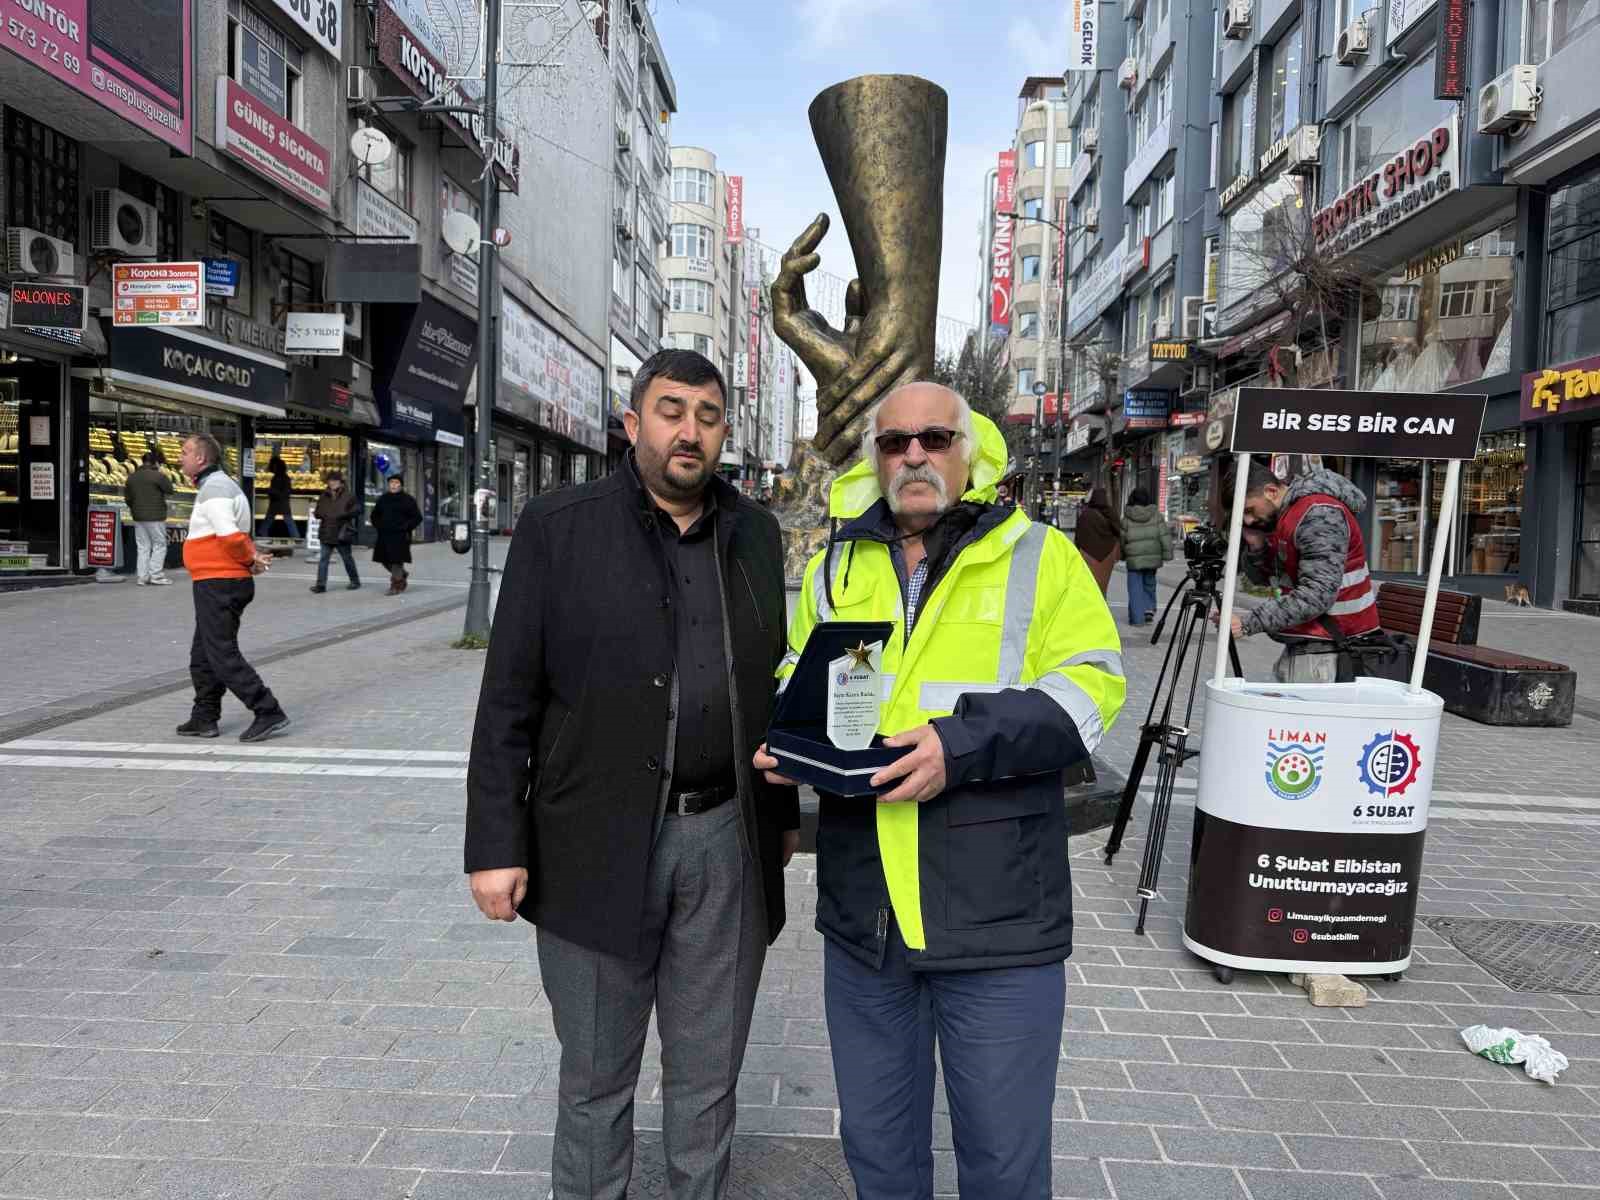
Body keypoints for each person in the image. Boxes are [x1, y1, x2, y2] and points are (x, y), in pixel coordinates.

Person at [755, 382, 1126, 1200]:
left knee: (1002, 1164)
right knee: (880, 1158)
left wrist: (959, 744)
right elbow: (797, 671)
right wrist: (791, 737)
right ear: (875, 458)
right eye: (894, 442)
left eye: (934, 437)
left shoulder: (1040, 557)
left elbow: (1090, 692)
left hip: (996, 923)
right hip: (866, 921)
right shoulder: (833, 565)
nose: (914, 454)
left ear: (970, 450)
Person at [466, 349, 800, 1200]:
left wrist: (784, 812)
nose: (690, 431)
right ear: (632, 423)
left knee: (708, 1076)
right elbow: (507, 696)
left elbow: (772, 683)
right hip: (593, 843)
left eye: (709, 415)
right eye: (671, 409)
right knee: (595, 1079)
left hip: (728, 841)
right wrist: (495, 844)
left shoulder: (756, 534)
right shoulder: (558, 526)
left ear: (726, 432)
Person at [1219, 458, 1379, 682]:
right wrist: (1257, 546)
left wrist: (1248, 623)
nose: (1248, 519)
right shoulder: (1287, 515)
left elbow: (1317, 595)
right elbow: (1267, 579)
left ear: (1272, 491)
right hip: (1314, 645)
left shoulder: (1317, 514)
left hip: (1331, 648)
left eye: (1249, 510)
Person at [175, 433, 290, 743]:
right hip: (218, 580)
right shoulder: (220, 485)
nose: (179, 457)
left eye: (185, 452)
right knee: (203, 654)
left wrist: (249, 558)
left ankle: (267, 710)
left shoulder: (215, 489)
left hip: (219, 582)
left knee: (221, 653)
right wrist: (249, 559)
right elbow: (236, 536)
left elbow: (229, 536)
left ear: (201, 459)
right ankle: (204, 717)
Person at [1120, 486, 1172, 625]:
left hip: (1134, 559)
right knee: (1149, 582)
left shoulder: (1127, 518)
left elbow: (1122, 539)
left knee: (1135, 588)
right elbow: (1164, 536)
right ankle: (1148, 608)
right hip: (1152, 557)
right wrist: (1168, 554)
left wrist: (1122, 555)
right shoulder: (1157, 516)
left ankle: (1137, 618)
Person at [124, 451, 174, 586]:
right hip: (155, 516)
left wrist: (135, 508)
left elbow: (127, 498)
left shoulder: (132, 477)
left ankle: (142, 577)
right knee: (159, 545)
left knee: (143, 547)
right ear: (155, 463)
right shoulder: (158, 476)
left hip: (138, 516)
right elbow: (170, 490)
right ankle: (156, 575)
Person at [370, 475, 422, 596]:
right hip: (384, 534)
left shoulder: (408, 500)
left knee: (396, 561)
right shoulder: (383, 499)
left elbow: (417, 518)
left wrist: (406, 527)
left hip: (400, 536)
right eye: (391, 482)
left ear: (401, 485)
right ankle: (402, 574)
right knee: (384, 560)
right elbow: (374, 515)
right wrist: (379, 525)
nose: (393, 485)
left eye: (396, 482)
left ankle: (396, 586)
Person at [309, 471, 360, 593]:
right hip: (326, 531)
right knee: (323, 559)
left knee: (347, 558)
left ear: (341, 482)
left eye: (335, 481)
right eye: (330, 481)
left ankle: (355, 581)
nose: (332, 483)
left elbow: (357, 510)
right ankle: (321, 585)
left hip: (341, 531)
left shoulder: (349, 496)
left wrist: (343, 515)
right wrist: (321, 514)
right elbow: (317, 512)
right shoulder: (323, 496)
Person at [1073, 485, 1121, 596]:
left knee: (1089, 587)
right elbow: (1118, 532)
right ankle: (1102, 608)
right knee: (1103, 586)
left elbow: (1079, 535)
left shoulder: (1086, 514)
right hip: (1108, 555)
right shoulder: (1111, 513)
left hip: (1088, 554)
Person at [258, 453, 300, 540]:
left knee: (271, 519)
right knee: (287, 520)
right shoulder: (283, 477)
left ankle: (262, 533)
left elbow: (282, 491)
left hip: (277, 502)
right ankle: (296, 537)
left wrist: (271, 492)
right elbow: (287, 491)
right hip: (282, 503)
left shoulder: (278, 477)